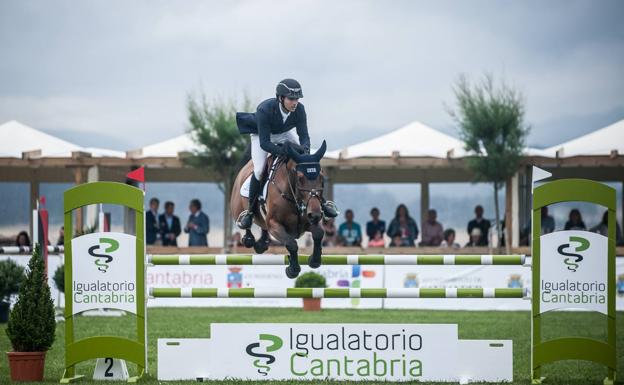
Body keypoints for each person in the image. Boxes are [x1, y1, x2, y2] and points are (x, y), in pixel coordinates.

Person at [235, 78, 338, 229]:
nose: (295, 102)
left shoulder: (300, 110)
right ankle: (249, 212)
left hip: (284, 133)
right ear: (280, 98)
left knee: (307, 160)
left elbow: (304, 136)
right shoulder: (264, 109)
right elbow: (265, 143)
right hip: (261, 136)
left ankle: (323, 203)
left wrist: (305, 154)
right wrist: (284, 150)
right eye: (291, 99)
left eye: (297, 99)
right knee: (258, 169)